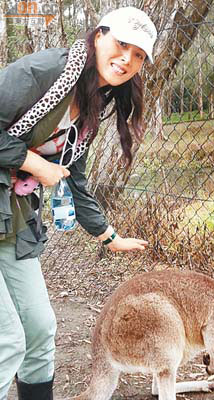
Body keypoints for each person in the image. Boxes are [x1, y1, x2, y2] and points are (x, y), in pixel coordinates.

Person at [0, 6, 157, 400]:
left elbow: (75, 178)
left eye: (139, 55)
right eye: (122, 44)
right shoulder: (45, 72)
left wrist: (109, 236)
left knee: (39, 329)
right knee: (8, 342)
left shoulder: (92, 105)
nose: (127, 60)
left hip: (12, 218)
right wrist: (30, 160)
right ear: (99, 35)